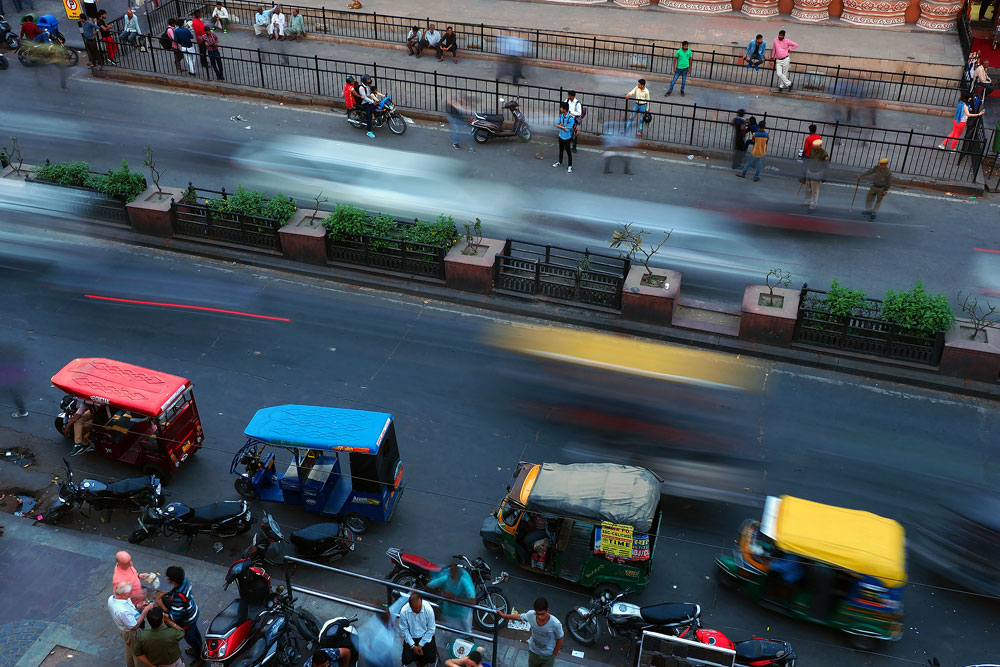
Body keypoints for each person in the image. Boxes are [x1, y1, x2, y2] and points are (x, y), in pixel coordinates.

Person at [498, 598, 563, 667]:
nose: (540, 617)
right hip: (533, 652)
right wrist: (504, 616)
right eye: (537, 614)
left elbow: (560, 638)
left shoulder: (555, 624)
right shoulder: (531, 615)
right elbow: (519, 617)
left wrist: (554, 654)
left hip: (548, 655)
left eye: (542, 614)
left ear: (547, 610)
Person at [155, 566, 202, 660]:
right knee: (195, 633)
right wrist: (167, 593)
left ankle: (200, 657)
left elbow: (175, 616)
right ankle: (199, 647)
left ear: (173, 581)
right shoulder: (185, 581)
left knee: (191, 638)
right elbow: (176, 591)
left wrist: (161, 606)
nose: (167, 579)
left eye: (168, 578)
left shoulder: (179, 597)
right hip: (193, 612)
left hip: (187, 621)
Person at [108, 582, 156, 667]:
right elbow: (134, 626)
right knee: (139, 653)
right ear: (124, 594)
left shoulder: (112, 599)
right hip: (131, 633)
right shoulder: (123, 611)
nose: (132, 594)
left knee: (130, 650)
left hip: (125, 631)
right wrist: (145, 611)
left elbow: (129, 610)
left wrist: (138, 607)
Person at [427, 563, 476, 633]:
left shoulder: (464, 580)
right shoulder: (446, 577)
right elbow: (429, 586)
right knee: (449, 634)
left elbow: (473, 601)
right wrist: (441, 594)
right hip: (449, 614)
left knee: (465, 633)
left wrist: (454, 598)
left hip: (462, 615)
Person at [398, 592, 437, 667]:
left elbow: (431, 629)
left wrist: (420, 645)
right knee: (406, 660)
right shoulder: (404, 611)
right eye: (415, 609)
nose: (418, 610)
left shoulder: (428, 610)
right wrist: (413, 646)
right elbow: (404, 629)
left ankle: (418, 660)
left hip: (425, 636)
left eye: (420, 607)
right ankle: (417, 660)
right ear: (410, 606)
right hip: (411, 636)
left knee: (431, 658)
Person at [802, 139, 829, 213]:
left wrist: (824, 176)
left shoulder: (824, 154)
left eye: (816, 146)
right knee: (808, 187)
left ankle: (813, 206)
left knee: (815, 190)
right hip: (809, 170)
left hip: (817, 172)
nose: (815, 147)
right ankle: (807, 201)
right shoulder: (812, 150)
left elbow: (826, 165)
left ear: (820, 146)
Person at [553, 101, 575, 173]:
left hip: (567, 138)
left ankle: (570, 166)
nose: (560, 109)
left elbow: (567, 130)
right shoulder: (561, 115)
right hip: (561, 136)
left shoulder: (570, 118)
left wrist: (561, 127)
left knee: (568, 151)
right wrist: (563, 127)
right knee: (561, 149)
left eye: (561, 108)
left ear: (565, 109)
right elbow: (557, 124)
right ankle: (560, 161)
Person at [357, 74, 376, 138]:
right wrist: (372, 102)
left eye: (369, 79)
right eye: (368, 79)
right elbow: (364, 97)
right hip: (364, 103)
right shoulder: (361, 88)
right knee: (369, 116)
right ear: (364, 80)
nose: (369, 80)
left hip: (370, 101)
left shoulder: (368, 86)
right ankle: (369, 131)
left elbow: (370, 94)